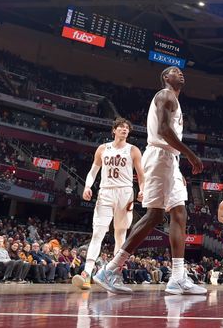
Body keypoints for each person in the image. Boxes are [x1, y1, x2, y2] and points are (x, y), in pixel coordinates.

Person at [94, 66, 206, 295]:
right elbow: (164, 130)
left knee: (179, 212)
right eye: (174, 71)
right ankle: (111, 269)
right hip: (159, 157)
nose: (180, 72)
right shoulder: (165, 95)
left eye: (181, 70)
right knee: (155, 214)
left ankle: (177, 277)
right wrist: (190, 154)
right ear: (166, 78)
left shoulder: (173, 99)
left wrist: (176, 165)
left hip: (168, 160)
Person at [75, 117, 144, 290]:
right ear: (114, 130)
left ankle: (114, 274)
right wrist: (87, 186)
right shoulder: (102, 148)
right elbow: (93, 171)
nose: (124, 129)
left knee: (120, 234)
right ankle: (87, 273)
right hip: (105, 191)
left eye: (127, 128)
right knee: (98, 232)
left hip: (125, 193)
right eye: (121, 127)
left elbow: (141, 174)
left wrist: (143, 190)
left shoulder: (133, 150)